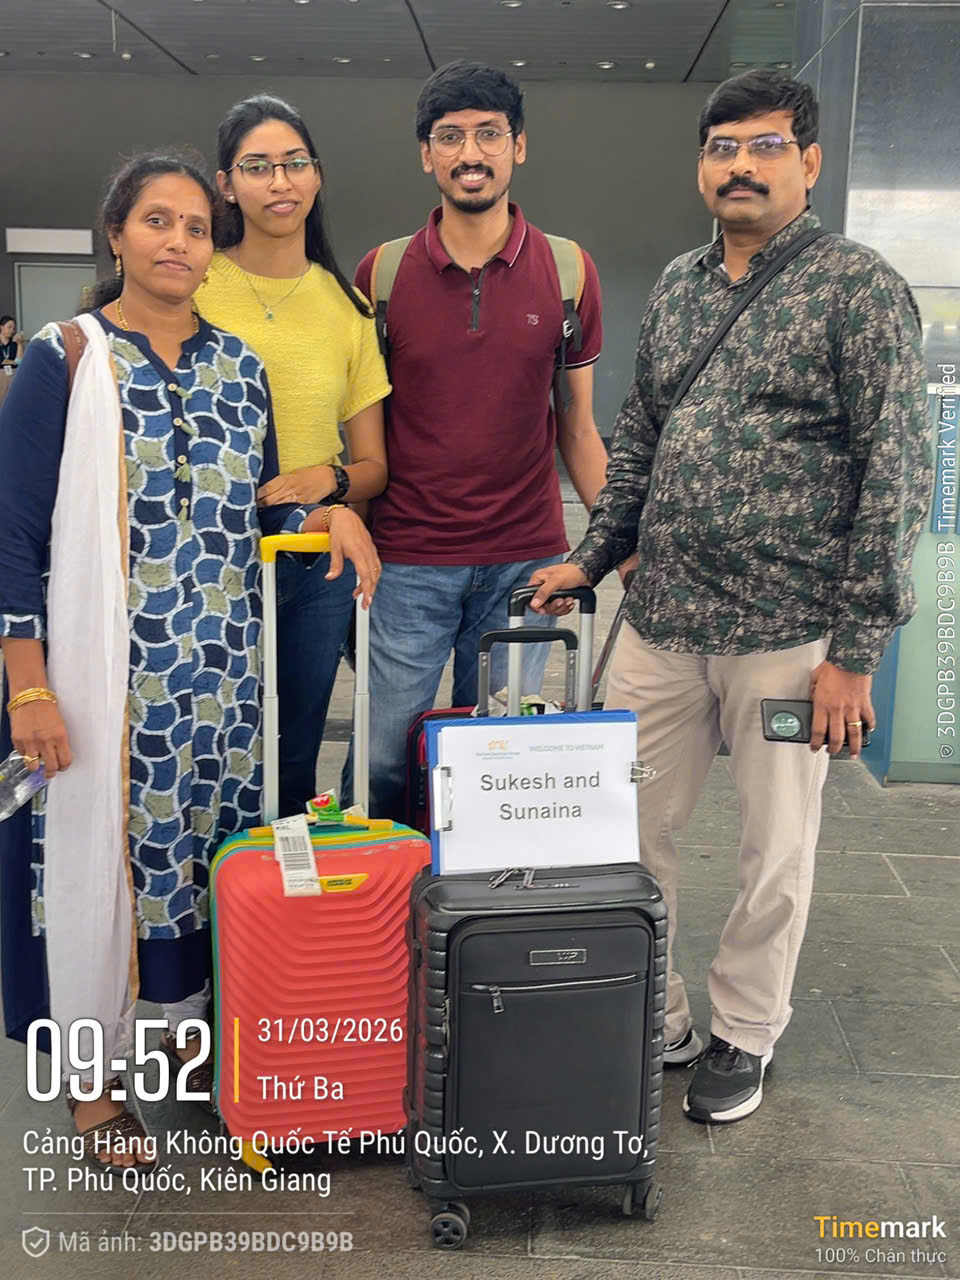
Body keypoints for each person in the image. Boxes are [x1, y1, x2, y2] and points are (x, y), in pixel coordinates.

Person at [528, 71, 932, 1123]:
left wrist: (855, 650)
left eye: (763, 146)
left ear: (809, 162)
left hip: (790, 637)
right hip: (659, 621)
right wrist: (596, 547)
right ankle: (654, 1006)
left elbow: (897, 470)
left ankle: (745, 1029)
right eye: (721, 146)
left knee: (775, 848)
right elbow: (645, 438)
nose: (739, 166)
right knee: (618, 826)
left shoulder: (858, 286)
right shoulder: (679, 284)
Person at [0, 153, 337, 1176]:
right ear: (117, 235)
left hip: (220, 683)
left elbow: (255, 508)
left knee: (199, 865)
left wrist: (326, 513)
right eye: (157, 221)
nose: (179, 242)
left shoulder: (241, 366)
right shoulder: (66, 357)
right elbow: (13, 526)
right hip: (104, 685)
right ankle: (96, 1096)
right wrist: (27, 679)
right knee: (89, 870)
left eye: (195, 226)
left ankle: (194, 1055)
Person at [356, 61, 612, 821]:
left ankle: (473, 921)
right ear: (426, 155)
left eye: (489, 134)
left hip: (524, 561)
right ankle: (385, 914)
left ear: (518, 147)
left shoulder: (568, 272)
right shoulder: (383, 274)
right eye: (451, 136)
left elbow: (578, 425)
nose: (471, 152)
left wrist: (611, 541)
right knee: (383, 757)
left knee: (498, 757)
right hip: (407, 560)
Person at [196, 94, 387, 819]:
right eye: (258, 166)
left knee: (293, 752)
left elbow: (375, 467)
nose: (280, 182)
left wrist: (330, 479)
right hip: (204, 560)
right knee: (209, 740)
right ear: (226, 184)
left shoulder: (348, 307)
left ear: (317, 176)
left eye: (295, 164)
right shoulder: (194, 284)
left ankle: (273, 916)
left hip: (313, 563)